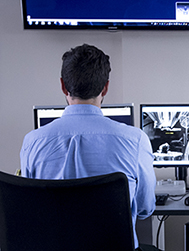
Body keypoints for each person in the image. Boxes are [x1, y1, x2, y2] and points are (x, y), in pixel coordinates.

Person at [20, 44, 157, 250]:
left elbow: (30, 212)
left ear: (63, 86)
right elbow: (146, 209)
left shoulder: (32, 142)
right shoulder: (135, 140)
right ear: (106, 88)